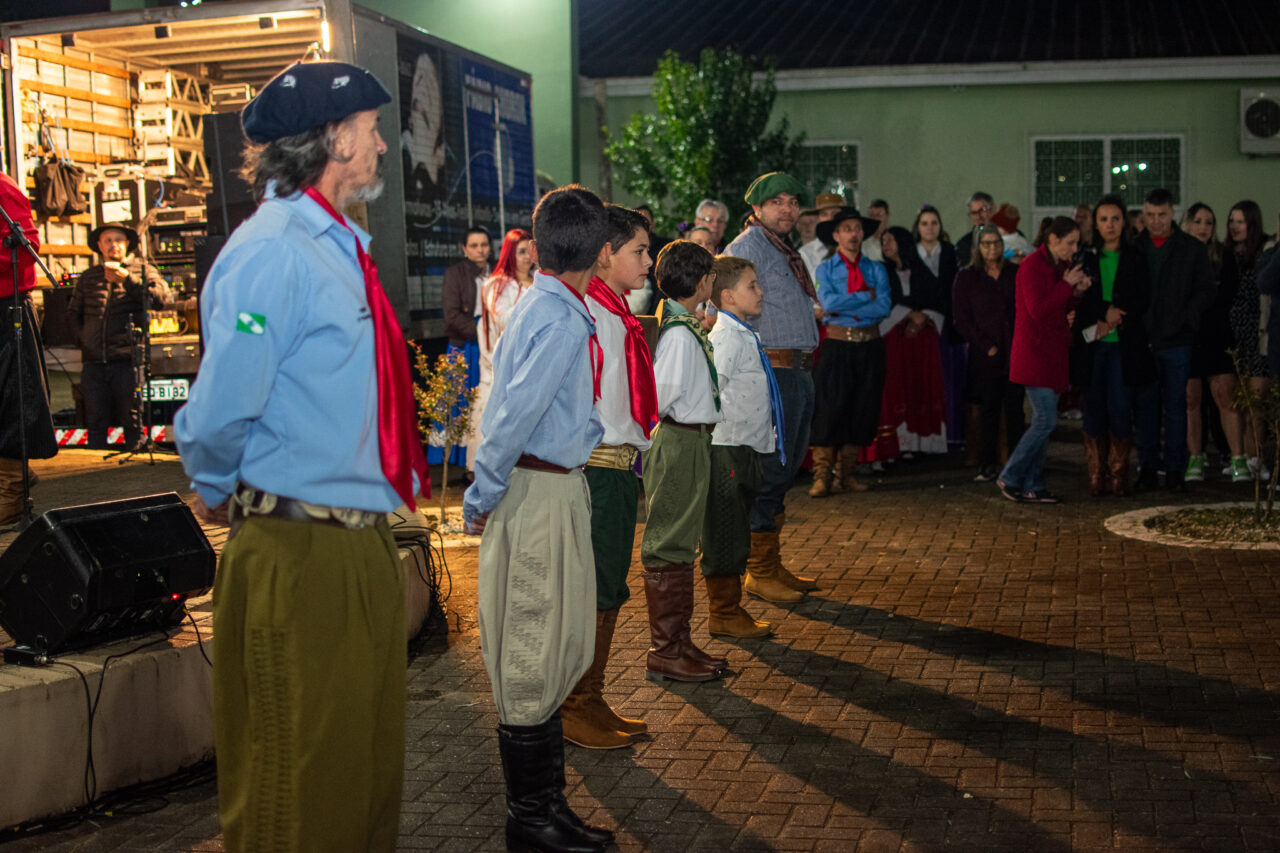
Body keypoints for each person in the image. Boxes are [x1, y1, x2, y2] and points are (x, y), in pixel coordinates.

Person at [173, 61, 428, 852]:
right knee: (297, 785)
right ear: (335, 136)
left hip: (354, 543)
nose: (384, 145)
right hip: (296, 549)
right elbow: (221, 405)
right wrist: (213, 482)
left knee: (361, 773)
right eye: (373, 130)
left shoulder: (333, 244)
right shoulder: (275, 251)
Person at [462, 184, 616, 853]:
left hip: (551, 486)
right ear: (601, 251)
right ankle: (531, 819)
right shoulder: (555, 316)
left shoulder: (550, 304)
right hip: (536, 490)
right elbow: (510, 417)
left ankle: (547, 804)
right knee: (532, 643)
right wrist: (481, 494)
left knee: (556, 639)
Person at [560, 205, 656, 750]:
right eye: (638, 251)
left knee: (610, 588)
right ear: (604, 254)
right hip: (597, 467)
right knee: (593, 589)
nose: (647, 261)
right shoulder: (589, 311)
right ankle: (575, 705)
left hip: (619, 466)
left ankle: (591, 698)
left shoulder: (614, 309)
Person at [724, 172, 820, 602]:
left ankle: (769, 565)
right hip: (774, 371)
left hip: (796, 370)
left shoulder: (781, 249)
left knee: (787, 468)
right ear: (757, 208)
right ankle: (758, 571)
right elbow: (724, 303)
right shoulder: (746, 248)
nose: (787, 209)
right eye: (777, 202)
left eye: (793, 201)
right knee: (772, 469)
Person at [639, 239, 727, 682]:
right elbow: (662, 396)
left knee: (682, 542)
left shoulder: (685, 325)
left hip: (691, 441)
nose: (714, 281)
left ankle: (681, 643)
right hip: (678, 442)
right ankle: (666, 649)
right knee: (669, 542)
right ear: (699, 281)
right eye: (711, 275)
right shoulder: (677, 335)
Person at [704, 254, 784, 632]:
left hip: (744, 444)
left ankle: (730, 609)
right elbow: (711, 389)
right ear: (728, 296)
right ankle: (723, 612)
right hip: (728, 445)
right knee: (726, 529)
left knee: (738, 523)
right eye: (751, 285)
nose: (760, 291)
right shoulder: (726, 337)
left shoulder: (742, 333)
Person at [998, 217, 1092, 503]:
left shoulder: (1059, 266)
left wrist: (1077, 292)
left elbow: (1061, 306)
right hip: (1035, 353)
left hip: (1052, 352)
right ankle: (1011, 476)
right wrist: (1066, 287)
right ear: (1052, 240)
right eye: (1070, 242)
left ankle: (1033, 484)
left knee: (1043, 421)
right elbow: (1038, 309)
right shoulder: (1031, 267)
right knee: (1045, 420)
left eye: (1077, 243)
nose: (1074, 249)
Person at [1132, 188, 1215, 491]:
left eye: (1161, 215)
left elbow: (1206, 290)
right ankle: (1148, 468)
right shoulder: (1136, 246)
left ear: (1172, 213)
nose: (1156, 221)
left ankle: (1176, 470)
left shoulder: (1190, 248)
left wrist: (1186, 316)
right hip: (1145, 339)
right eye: (1151, 215)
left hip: (1177, 339)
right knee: (1146, 407)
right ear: (1144, 214)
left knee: (1176, 407)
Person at [809, 207, 891, 498]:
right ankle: (822, 476)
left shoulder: (876, 268)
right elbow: (827, 304)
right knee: (830, 407)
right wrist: (863, 296)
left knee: (862, 407)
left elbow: (883, 307)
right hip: (837, 343)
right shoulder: (825, 269)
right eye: (846, 229)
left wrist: (847, 304)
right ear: (836, 235)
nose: (853, 234)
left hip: (869, 345)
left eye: (857, 228)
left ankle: (848, 474)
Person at [67, 221, 171, 450]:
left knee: (132, 419)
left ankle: (135, 473)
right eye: (108, 240)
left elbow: (161, 299)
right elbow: (73, 312)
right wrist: (83, 338)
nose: (114, 245)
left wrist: (127, 280)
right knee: (94, 421)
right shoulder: (89, 276)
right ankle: (94, 475)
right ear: (99, 246)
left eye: (118, 240)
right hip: (93, 363)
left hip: (127, 361)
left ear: (128, 245)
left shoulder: (142, 270)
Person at [1070, 196, 1149, 497]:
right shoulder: (1086, 258)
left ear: (1124, 222)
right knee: (1093, 409)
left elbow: (1141, 297)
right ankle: (1095, 472)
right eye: (1103, 219)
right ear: (1095, 223)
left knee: (1119, 407)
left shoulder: (1135, 257)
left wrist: (1116, 319)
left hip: (1124, 346)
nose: (1109, 225)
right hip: (1093, 346)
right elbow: (1081, 300)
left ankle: (1119, 474)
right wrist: (1104, 313)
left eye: (1115, 219)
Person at [0, 170, 56, 525]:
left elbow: (26, 245)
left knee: (12, 400)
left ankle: (12, 488)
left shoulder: (3, 189)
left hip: (6, 306)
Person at [952, 224, 1023, 483]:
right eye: (986, 244)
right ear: (977, 248)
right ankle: (987, 463)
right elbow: (961, 319)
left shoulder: (1015, 273)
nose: (992, 248)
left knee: (1015, 411)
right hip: (986, 356)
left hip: (1015, 352)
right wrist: (986, 345)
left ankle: (1016, 463)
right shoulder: (967, 277)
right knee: (988, 409)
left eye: (996, 243)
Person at [1180, 202, 1241, 483]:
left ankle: (1238, 456)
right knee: (1191, 401)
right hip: (1188, 337)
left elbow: (1226, 297)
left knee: (1225, 398)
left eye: (1209, 222)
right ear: (1187, 223)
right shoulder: (1178, 255)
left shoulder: (1224, 257)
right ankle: (1196, 457)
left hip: (1217, 336)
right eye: (1199, 221)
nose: (1204, 227)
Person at [880, 225, 947, 456]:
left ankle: (922, 444)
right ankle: (901, 445)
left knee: (921, 386)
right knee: (898, 387)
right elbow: (883, 301)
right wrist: (908, 315)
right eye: (883, 241)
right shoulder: (882, 271)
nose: (885, 245)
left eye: (890, 240)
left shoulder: (921, 270)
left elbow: (938, 299)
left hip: (921, 343)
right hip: (893, 342)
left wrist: (923, 317)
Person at [472, 227, 534, 467]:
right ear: (509, 253)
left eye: (530, 250)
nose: (527, 256)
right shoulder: (497, 284)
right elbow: (501, 320)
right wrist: (532, 296)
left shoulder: (538, 279)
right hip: (505, 364)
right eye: (521, 251)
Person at [1223, 200, 1275, 481]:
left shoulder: (1265, 253)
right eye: (1232, 220)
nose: (1234, 226)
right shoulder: (1226, 254)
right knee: (1235, 402)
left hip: (1259, 334)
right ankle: (1239, 459)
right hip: (1233, 336)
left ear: (1252, 224)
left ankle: (1256, 457)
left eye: (1240, 221)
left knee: (1256, 400)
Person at [912, 204, 964, 449]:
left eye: (934, 223)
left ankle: (947, 436)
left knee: (946, 380)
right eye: (925, 223)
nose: (929, 228)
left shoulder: (950, 252)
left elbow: (953, 291)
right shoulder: (911, 253)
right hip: (917, 325)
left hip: (944, 324)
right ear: (918, 227)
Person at [443, 226, 491, 469]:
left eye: (484, 245)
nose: (480, 250)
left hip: (490, 348)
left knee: (483, 406)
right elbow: (451, 316)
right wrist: (484, 333)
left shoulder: (496, 274)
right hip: (466, 347)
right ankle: (462, 464)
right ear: (464, 249)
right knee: (463, 406)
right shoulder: (455, 274)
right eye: (474, 245)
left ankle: (481, 460)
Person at [799, 192, 843, 278]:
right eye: (824, 214)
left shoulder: (857, 247)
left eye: (835, 214)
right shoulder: (805, 253)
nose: (830, 219)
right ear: (818, 219)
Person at [954, 191, 994, 263]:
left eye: (982, 210)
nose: (978, 217)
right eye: (974, 213)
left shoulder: (1010, 236)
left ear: (992, 209)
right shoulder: (963, 244)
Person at [863, 198, 889, 263]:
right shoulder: (862, 243)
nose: (875, 219)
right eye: (872, 215)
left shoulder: (895, 241)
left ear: (887, 216)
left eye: (878, 215)